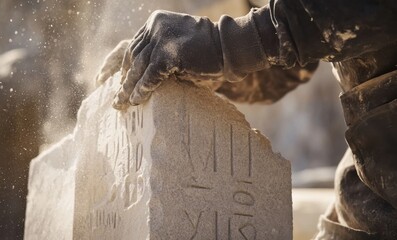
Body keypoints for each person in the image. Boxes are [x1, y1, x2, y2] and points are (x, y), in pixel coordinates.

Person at [96, 0, 397, 239]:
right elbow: (297, 52)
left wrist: (224, 45)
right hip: (370, 177)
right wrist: (197, 62)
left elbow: (363, 10)